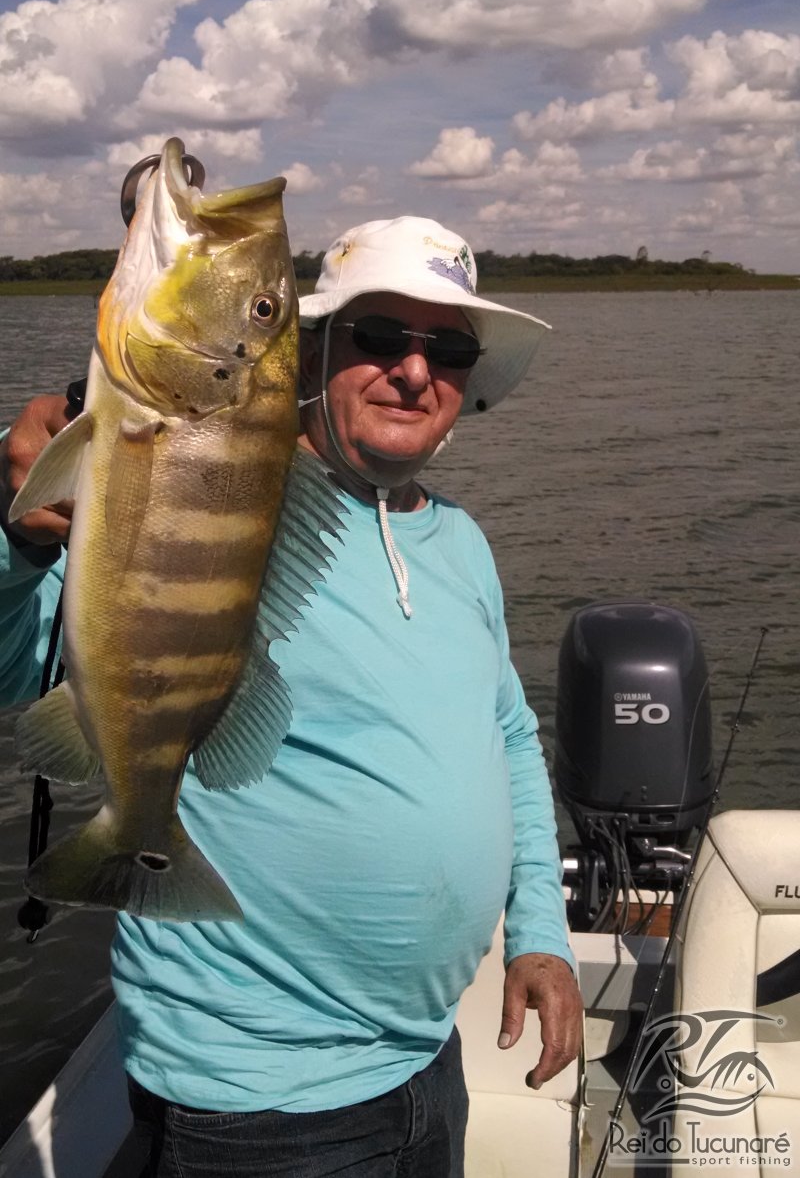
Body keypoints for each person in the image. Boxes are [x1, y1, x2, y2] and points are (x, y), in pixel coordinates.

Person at [0, 215, 582, 1178]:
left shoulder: (462, 543)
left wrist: (541, 935)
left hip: (427, 1061)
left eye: (447, 350)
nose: (414, 370)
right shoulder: (188, 494)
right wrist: (18, 534)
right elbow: (15, 662)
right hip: (253, 1105)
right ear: (311, 354)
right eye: (380, 336)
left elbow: (511, 736)